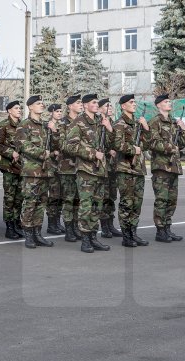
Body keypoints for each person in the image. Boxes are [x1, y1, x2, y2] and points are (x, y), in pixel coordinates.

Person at [65, 94, 113, 253]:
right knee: (86, 206)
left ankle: (93, 237)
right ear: (85, 105)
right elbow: (69, 146)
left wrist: (109, 129)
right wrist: (92, 153)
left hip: (100, 171)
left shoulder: (100, 122)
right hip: (86, 171)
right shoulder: (78, 122)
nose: (97, 104)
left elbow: (111, 145)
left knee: (97, 206)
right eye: (93, 102)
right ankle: (85, 239)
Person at [147, 94, 185, 242]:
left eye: (169, 101)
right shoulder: (155, 122)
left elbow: (182, 144)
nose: (169, 103)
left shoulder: (173, 122)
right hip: (161, 167)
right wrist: (171, 148)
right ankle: (160, 230)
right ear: (158, 105)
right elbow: (153, 143)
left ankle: (168, 228)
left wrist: (183, 129)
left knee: (172, 200)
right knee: (162, 200)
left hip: (174, 167)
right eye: (166, 101)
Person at [112, 94, 150, 247]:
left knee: (137, 203)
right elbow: (118, 145)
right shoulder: (119, 124)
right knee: (127, 203)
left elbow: (146, 146)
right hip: (126, 169)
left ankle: (134, 232)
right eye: (131, 102)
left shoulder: (137, 123)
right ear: (123, 106)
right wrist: (133, 149)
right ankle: (126, 235)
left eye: (135, 102)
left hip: (138, 169)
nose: (134, 104)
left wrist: (146, 128)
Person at [17, 95, 55, 249]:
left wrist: (55, 131)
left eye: (42, 103)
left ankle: (38, 234)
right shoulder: (24, 125)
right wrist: (42, 153)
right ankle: (28, 235)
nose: (42, 105)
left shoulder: (46, 126)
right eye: (38, 103)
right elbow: (23, 146)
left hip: (45, 171)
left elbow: (56, 145)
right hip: (31, 172)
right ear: (30, 107)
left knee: (41, 203)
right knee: (30, 203)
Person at [0, 100, 24, 239]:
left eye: (20, 108)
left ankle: (17, 222)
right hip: (9, 167)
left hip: (22, 167)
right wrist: (10, 152)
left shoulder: (23, 125)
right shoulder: (3, 126)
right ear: (9, 111)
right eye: (16, 108)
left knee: (19, 198)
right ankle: (9, 226)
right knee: (10, 198)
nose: (19, 110)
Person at [57, 94, 83, 242]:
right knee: (68, 199)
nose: (80, 105)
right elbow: (62, 145)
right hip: (67, 167)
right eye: (78, 103)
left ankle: (75, 227)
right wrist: (82, 149)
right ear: (70, 106)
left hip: (81, 167)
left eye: (81, 103)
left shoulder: (82, 122)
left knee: (78, 200)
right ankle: (68, 230)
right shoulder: (63, 123)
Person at [98, 98, 123, 238]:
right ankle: (104, 227)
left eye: (111, 105)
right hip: (102, 166)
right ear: (101, 109)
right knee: (104, 197)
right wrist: (108, 151)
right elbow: (98, 143)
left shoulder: (112, 123)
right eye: (107, 106)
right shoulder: (98, 123)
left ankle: (111, 224)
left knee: (112, 196)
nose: (110, 108)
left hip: (114, 166)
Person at [45, 103, 65, 235]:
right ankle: (52, 224)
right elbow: (45, 148)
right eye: (57, 111)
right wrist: (53, 154)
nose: (59, 113)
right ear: (51, 112)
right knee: (53, 196)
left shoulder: (61, 126)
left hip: (62, 166)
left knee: (61, 196)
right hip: (51, 166)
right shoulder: (47, 126)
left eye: (60, 111)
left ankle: (57, 222)